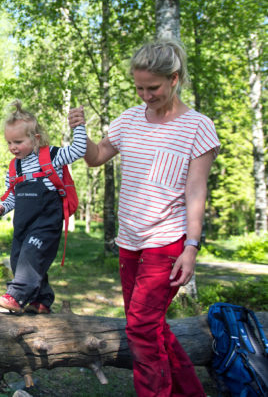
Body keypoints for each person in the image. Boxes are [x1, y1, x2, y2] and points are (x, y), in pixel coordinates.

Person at [73, 39, 219, 397]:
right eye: (139, 87)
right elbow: (95, 157)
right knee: (150, 327)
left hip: (167, 242)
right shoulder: (128, 119)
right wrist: (80, 130)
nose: (145, 95)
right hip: (130, 241)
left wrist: (192, 247)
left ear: (174, 78)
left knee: (140, 327)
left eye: (152, 87)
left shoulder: (199, 127)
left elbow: (196, 191)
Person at [0, 99, 86, 314]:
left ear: (35, 139)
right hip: (23, 223)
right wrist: (2, 208)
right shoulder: (14, 167)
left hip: (47, 221)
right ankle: (41, 300)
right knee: (18, 260)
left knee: (31, 257)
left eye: (18, 141)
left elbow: (79, 149)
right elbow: (12, 195)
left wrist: (78, 126)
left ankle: (15, 296)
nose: (12, 147)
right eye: (9, 143)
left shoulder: (52, 156)